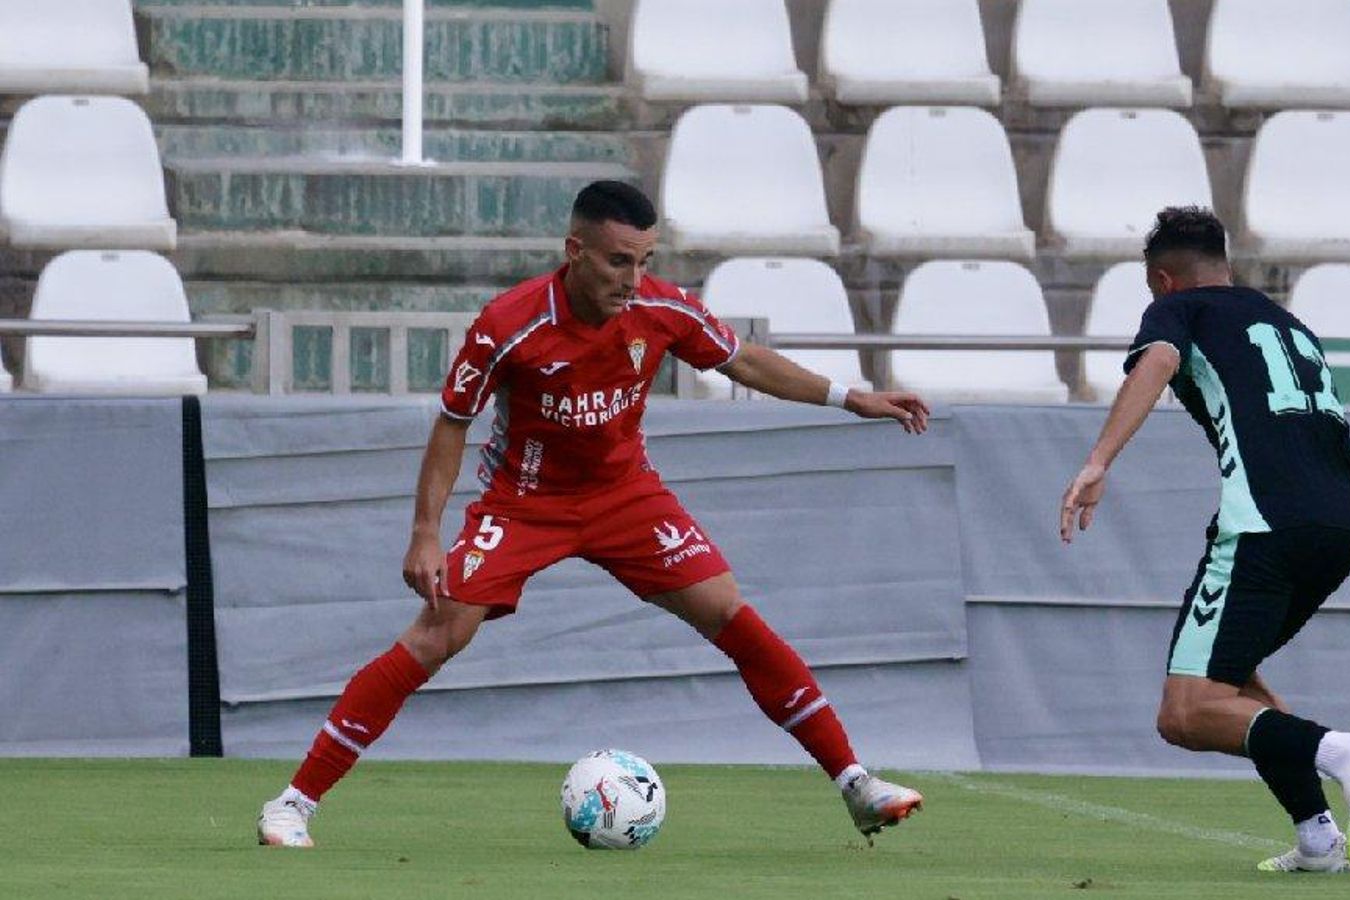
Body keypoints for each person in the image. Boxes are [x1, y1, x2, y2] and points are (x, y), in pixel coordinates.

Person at [257, 181, 928, 848]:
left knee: (727, 609)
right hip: (524, 503)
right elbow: (453, 423)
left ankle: (855, 784)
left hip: (623, 495)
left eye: (645, 261)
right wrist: (426, 533)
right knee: (438, 634)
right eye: (618, 261)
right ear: (574, 251)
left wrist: (851, 397)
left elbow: (743, 360)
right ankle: (292, 804)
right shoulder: (509, 323)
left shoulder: (662, 309)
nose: (633, 279)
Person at [1059, 207, 1350, 873]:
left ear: (1163, 281)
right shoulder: (1288, 323)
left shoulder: (1181, 312)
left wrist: (1098, 459)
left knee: (1184, 713)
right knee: (1227, 675)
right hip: (1339, 526)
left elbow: (1156, 361)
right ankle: (1318, 837)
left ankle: (1346, 751)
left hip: (1263, 524)